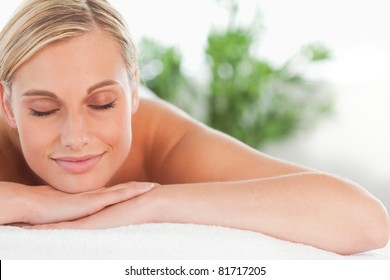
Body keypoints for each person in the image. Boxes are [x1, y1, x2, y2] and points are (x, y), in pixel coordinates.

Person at [0, 0, 388, 255]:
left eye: (102, 103)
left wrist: (153, 203)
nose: (76, 137)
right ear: (8, 106)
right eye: (44, 110)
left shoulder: (161, 138)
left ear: (133, 91)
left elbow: (364, 221)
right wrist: (31, 201)